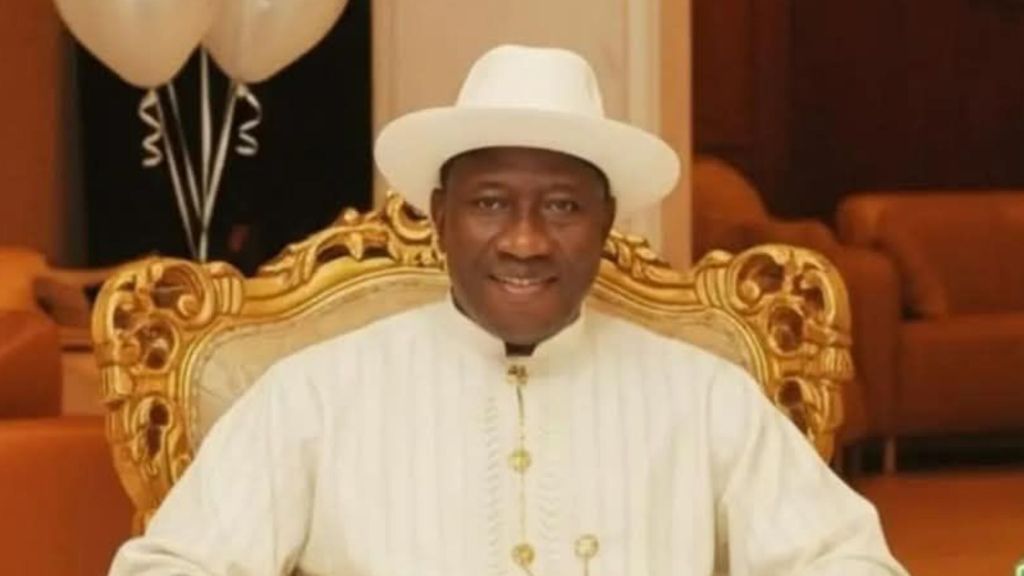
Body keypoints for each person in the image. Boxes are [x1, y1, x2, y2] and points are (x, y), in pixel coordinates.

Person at [109, 44, 907, 576]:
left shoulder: (704, 397)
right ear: (437, 214)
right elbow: (170, 565)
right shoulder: (312, 392)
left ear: (606, 222)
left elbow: (848, 561)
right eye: (490, 202)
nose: (525, 241)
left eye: (561, 206)